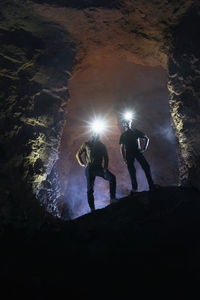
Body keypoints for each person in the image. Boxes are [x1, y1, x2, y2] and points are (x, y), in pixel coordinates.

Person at [76, 132, 116, 212]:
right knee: (90, 189)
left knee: (112, 178)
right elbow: (78, 154)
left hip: (99, 168)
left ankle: (112, 199)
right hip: (90, 168)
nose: (96, 136)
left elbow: (106, 157)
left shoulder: (101, 145)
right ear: (92, 135)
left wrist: (105, 168)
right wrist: (83, 164)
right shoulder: (86, 144)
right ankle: (92, 209)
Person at [119, 118, 156, 194]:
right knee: (132, 171)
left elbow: (146, 138)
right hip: (129, 153)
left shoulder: (135, 132)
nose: (128, 123)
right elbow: (122, 147)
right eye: (126, 122)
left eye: (129, 122)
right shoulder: (123, 135)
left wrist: (144, 148)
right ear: (124, 124)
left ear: (130, 123)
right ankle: (135, 189)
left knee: (146, 167)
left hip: (136, 152)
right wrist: (124, 158)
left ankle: (151, 186)